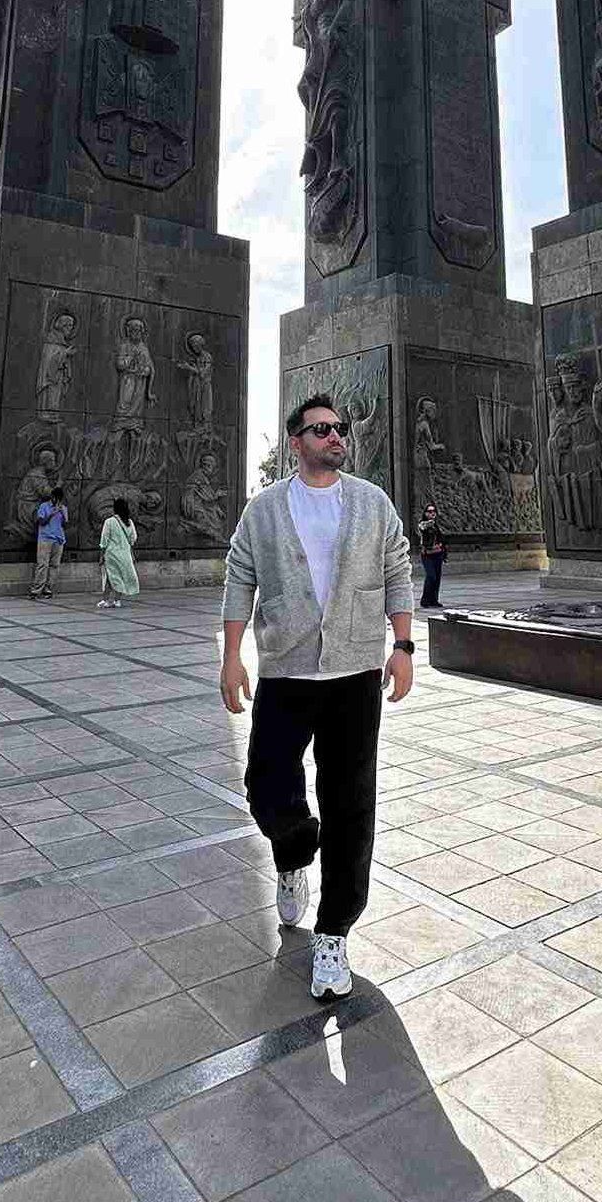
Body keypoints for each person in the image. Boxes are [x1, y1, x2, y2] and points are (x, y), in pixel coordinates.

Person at [220, 393, 414, 1002]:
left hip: (355, 674)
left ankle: (334, 932)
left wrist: (404, 645)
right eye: (322, 429)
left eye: (340, 428)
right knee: (266, 783)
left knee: (350, 802)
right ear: (296, 442)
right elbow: (239, 576)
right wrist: (232, 656)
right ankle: (295, 847)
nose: (335, 436)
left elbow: (398, 571)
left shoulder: (372, 503)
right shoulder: (265, 510)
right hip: (287, 672)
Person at [97, 496, 139, 607]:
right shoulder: (129, 522)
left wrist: (101, 556)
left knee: (110, 577)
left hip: (111, 554)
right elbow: (133, 539)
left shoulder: (109, 522)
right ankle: (117, 600)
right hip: (125, 554)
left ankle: (105, 600)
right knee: (120, 576)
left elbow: (104, 540)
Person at [30, 482, 67, 597]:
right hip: (45, 539)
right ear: (52, 497)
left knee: (54, 565)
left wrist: (63, 514)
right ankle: (36, 589)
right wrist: (52, 513)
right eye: (57, 498)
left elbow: (65, 525)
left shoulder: (63, 507)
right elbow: (41, 522)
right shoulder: (44, 506)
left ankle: (48, 588)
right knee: (42, 564)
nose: (58, 501)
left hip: (59, 539)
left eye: (60, 499)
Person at [416, 503, 446, 609]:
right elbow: (422, 527)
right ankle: (425, 600)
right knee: (431, 576)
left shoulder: (436, 525)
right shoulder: (424, 524)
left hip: (438, 554)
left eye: (434, 511)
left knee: (437, 578)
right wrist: (430, 522)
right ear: (425, 513)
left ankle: (434, 600)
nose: (432, 513)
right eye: (429, 511)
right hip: (427, 555)